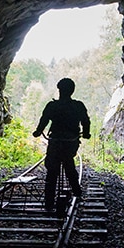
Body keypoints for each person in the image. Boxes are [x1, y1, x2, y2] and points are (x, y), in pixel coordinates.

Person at [32, 77, 91, 212]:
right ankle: (76, 191)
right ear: (72, 90)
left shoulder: (52, 106)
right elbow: (85, 122)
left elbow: (44, 121)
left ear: (59, 89)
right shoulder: (78, 106)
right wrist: (86, 133)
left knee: (52, 171)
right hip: (71, 142)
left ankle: (49, 202)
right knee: (69, 163)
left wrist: (38, 131)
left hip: (55, 141)